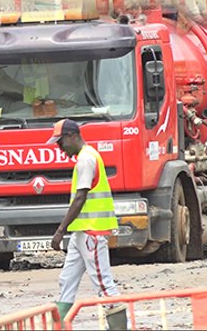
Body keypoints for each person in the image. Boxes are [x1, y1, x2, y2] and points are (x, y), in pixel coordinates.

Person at [47, 120, 126, 327]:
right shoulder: (85, 157)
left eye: (60, 142)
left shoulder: (86, 160)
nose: (59, 148)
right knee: (67, 279)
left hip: (92, 232)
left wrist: (59, 231)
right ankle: (61, 324)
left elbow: (80, 198)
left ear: (72, 136)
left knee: (103, 283)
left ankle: (120, 326)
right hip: (82, 232)